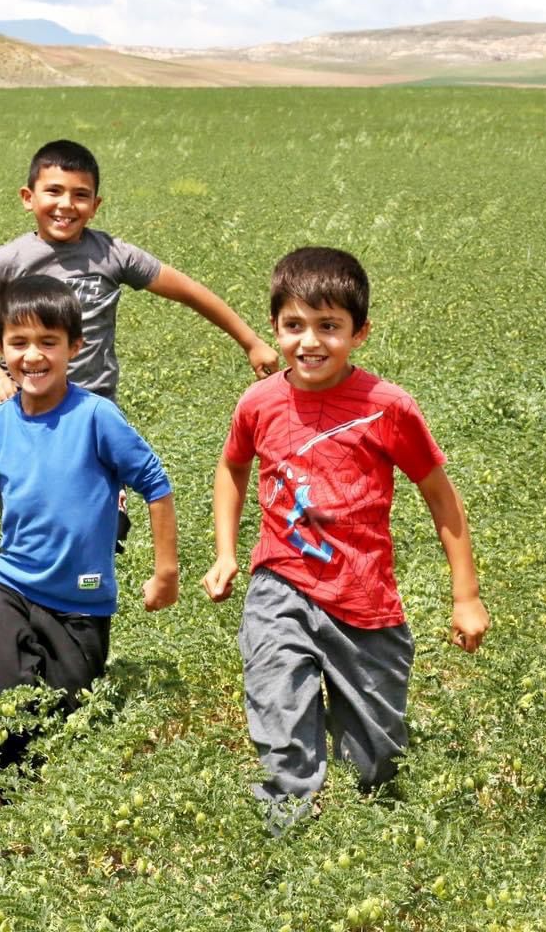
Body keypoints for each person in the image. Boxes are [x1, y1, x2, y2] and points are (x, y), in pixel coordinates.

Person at [201, 247, 489, 836]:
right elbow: (231, 468)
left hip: (364, 599)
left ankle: (369, 844)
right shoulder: (258, 403)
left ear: (360, 332)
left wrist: (466, 594)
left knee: (376, 758)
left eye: (329, 326)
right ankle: (288, 842)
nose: (310, 341)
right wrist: (227, 551)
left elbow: (440, 495)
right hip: (279, 583)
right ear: (275, 327)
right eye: (294, 325)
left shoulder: (387, 407)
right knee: (280, 718)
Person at [0, 275, 179, 768]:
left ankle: (55, 824)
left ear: (76, 346)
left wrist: (166, 571)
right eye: (19, 342)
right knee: (4, 723)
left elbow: (154, 483)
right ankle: (10, 825)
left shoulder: (97, 417)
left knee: (69, 730)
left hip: (82, 603)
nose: (33, 356)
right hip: (14, 590)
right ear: (0, 349)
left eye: (48, 342)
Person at [0, 139, 279, 404]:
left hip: (93, 407)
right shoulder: (6, 261)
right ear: (28, 198)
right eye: (54, 191)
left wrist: (250, 342)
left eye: (80, 195)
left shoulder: (113, 254)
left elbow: (190, 292)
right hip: (21, 405)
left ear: (95, 206)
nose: (67, 204)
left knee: (102, 481)